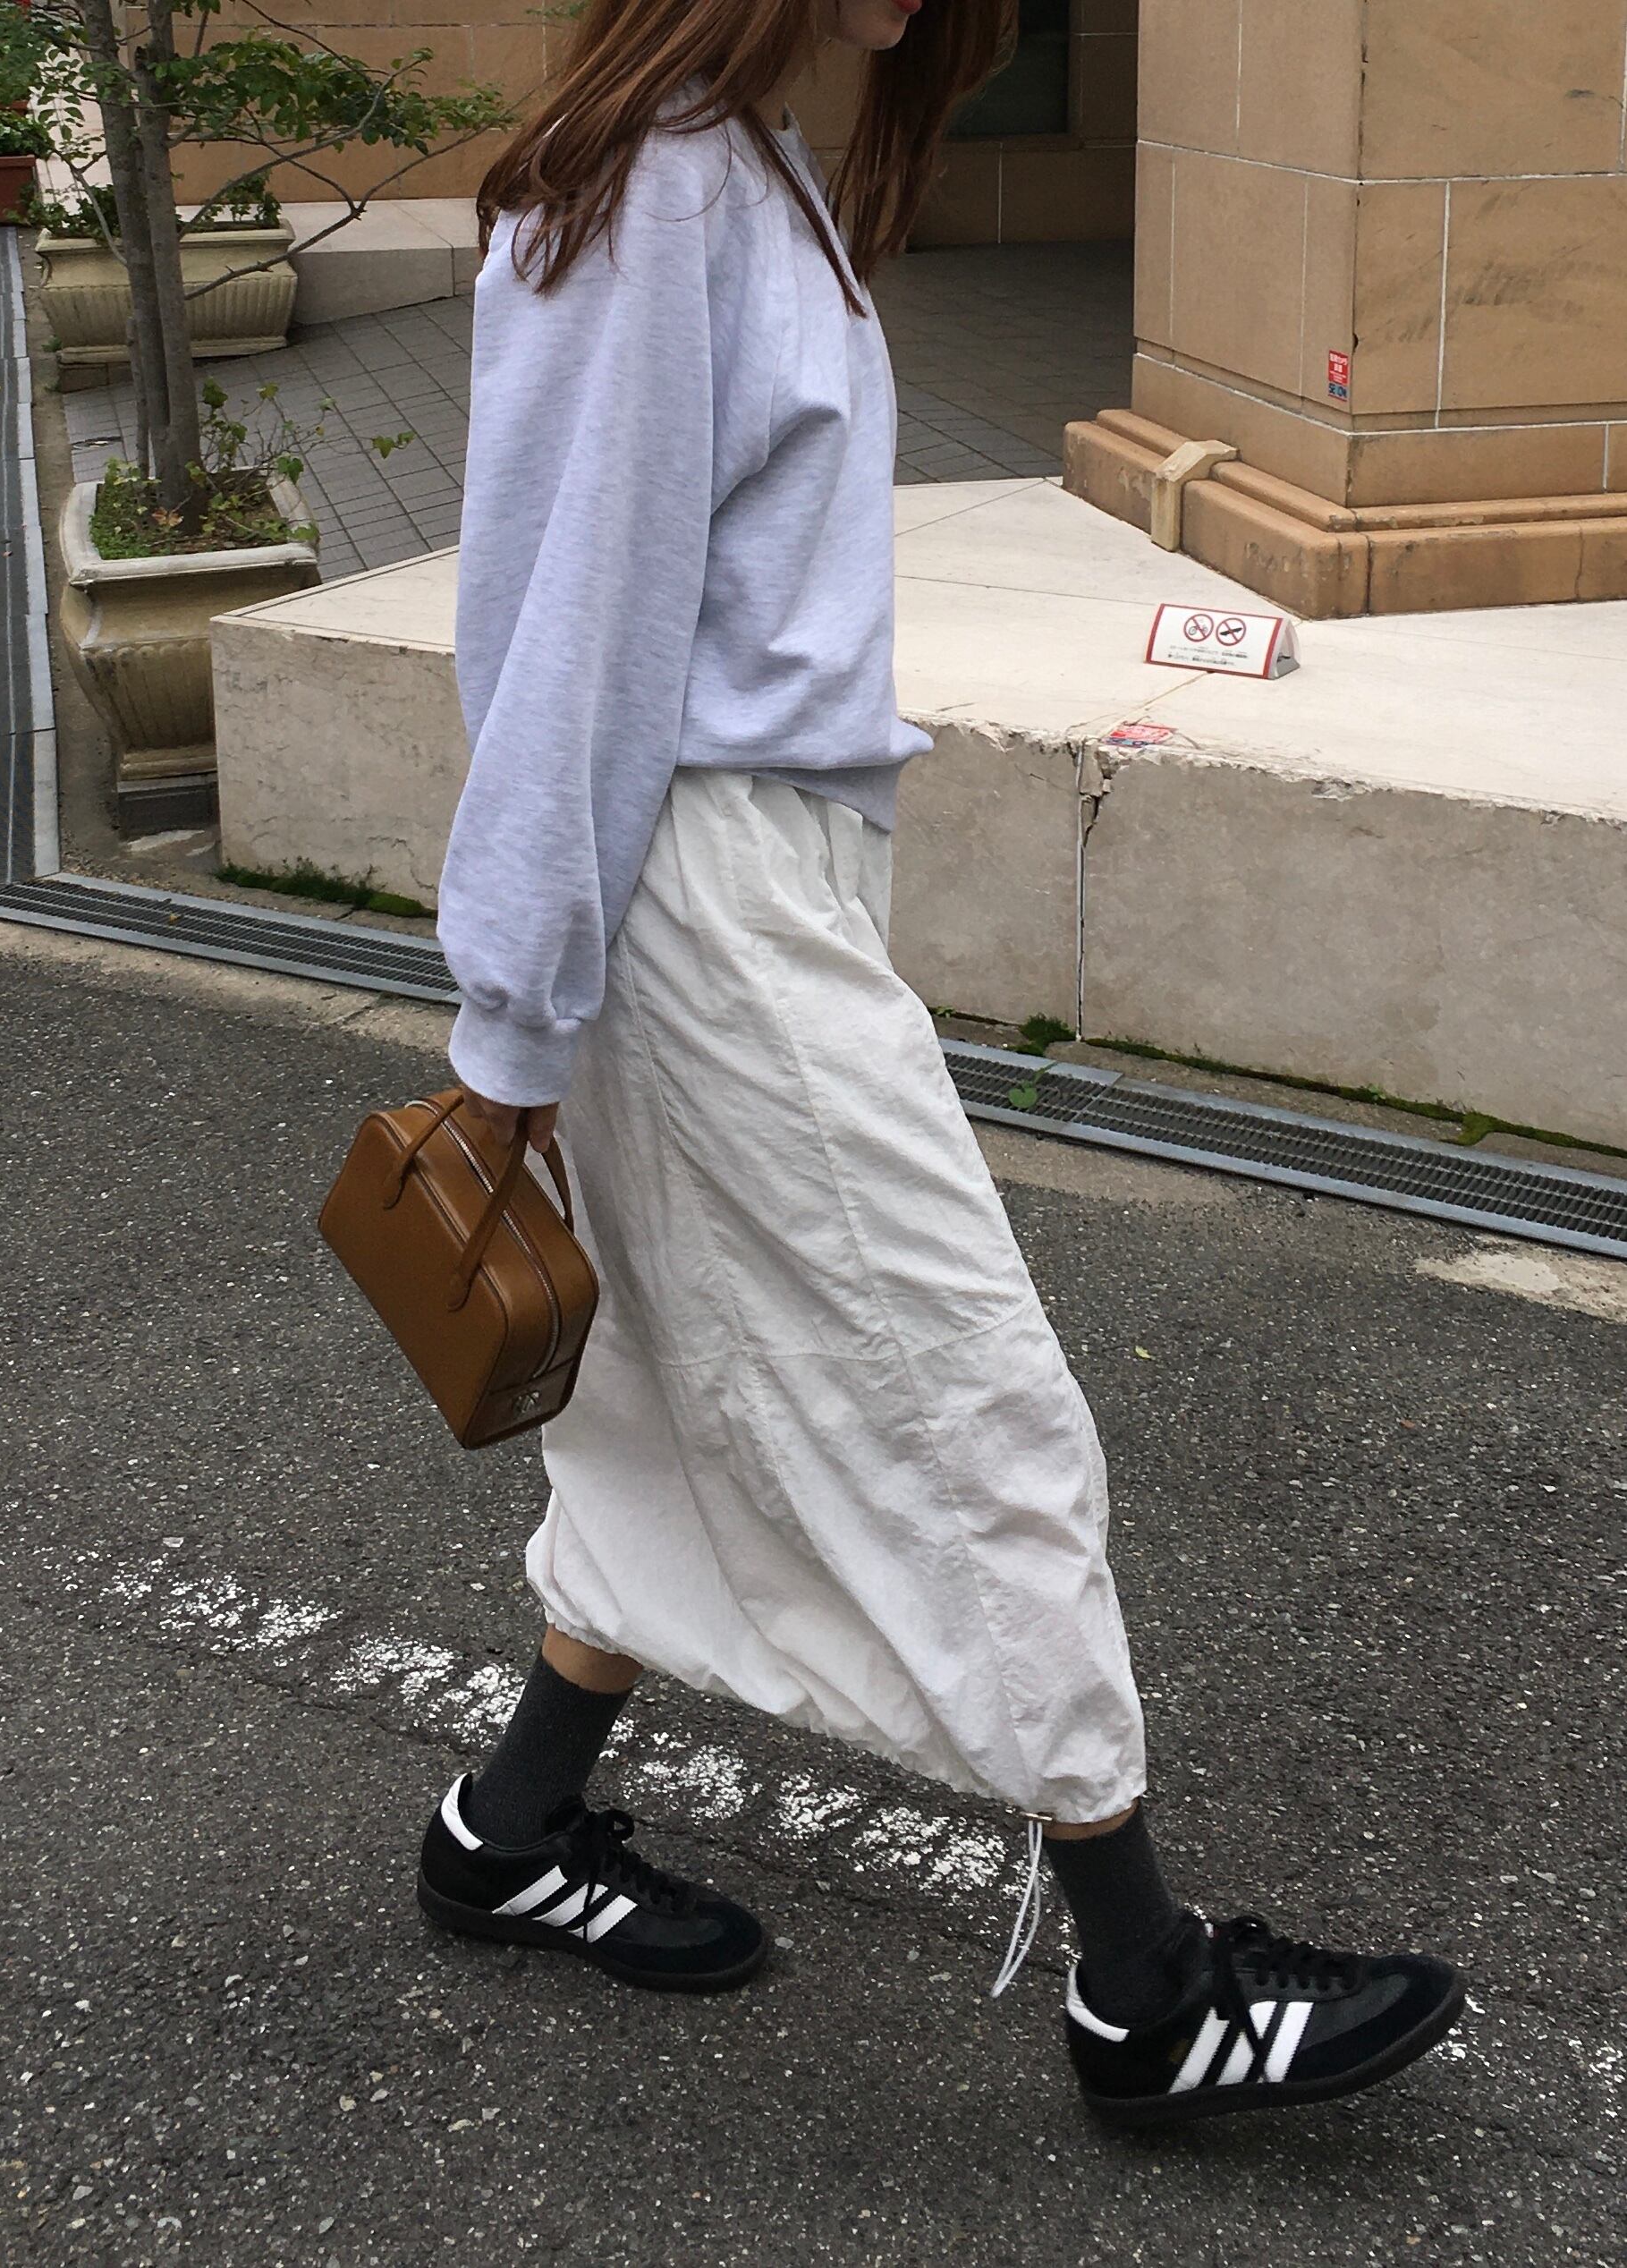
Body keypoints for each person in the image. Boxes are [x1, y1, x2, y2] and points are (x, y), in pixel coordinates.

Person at [419, 0, 1463, 2127]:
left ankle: (507, 1825)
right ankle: (1147, 1983)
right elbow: (568, 636)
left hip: (736, 874)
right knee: (971, 1395)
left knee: (661, 1395)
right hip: (698, 894)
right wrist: (512, 1017)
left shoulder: (741, 165)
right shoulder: (667, 189)